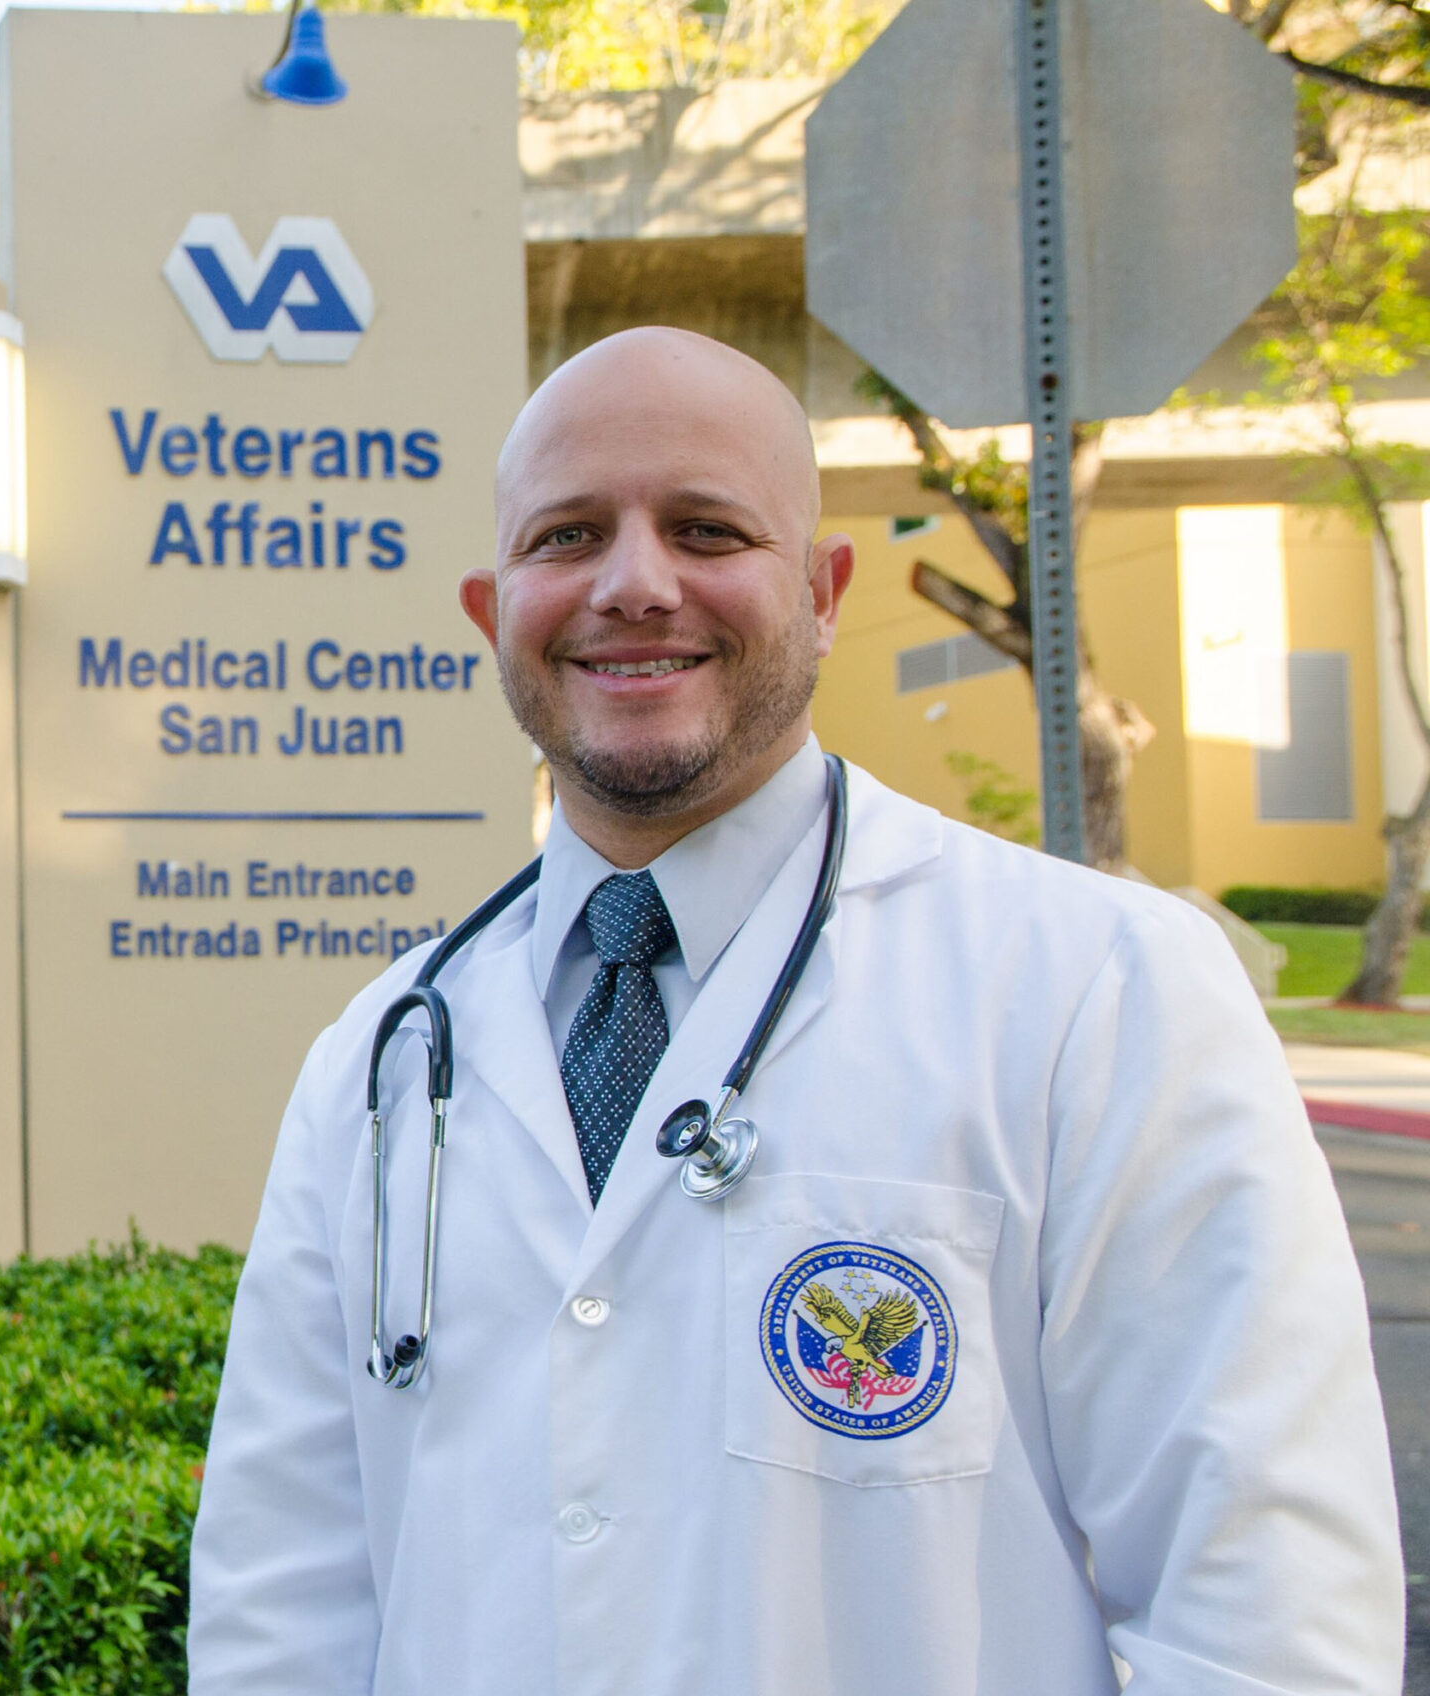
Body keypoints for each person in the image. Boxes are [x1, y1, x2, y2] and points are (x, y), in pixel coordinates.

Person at [186, 326, 1402, 1695]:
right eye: (569, 536)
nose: (634, 585)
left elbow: (1264, 1605)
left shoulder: (1098, 993)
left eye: (706, 530)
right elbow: (280, 1605)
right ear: (490, 609)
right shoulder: (382, 1057)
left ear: (825, 593)